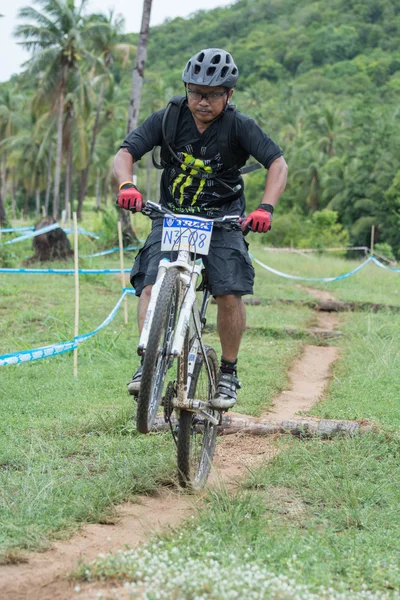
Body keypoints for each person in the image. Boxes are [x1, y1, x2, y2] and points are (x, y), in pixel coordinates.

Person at [113, 47, 288, 409]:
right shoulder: (169, 118)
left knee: (228, 292)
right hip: (172, 215)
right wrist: (126, 185)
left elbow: (277, 163)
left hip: (222, 220)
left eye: (211, 94)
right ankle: (147, 362)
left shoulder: (239, 126)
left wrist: (265, 208)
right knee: (150, 283)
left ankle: (227, 372)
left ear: (229, 95)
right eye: (195, 92)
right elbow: (126, 153)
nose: (202, 101)